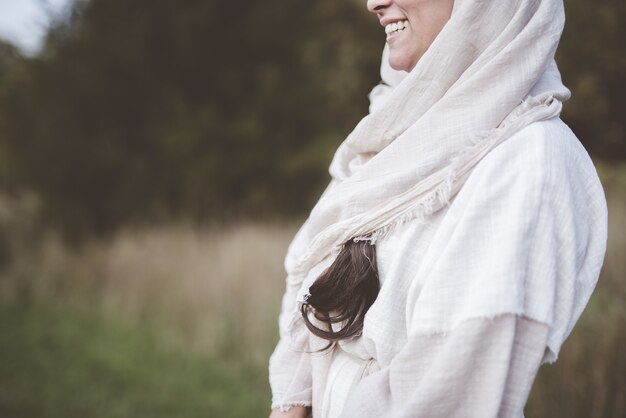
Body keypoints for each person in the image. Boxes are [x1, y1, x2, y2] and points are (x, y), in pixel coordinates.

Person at [268, 0, 608, 417]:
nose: (373, 3)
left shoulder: (530, 162)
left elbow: (446, 395)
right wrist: (292, 402)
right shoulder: (394, 135)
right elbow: (312, 286)